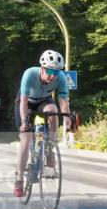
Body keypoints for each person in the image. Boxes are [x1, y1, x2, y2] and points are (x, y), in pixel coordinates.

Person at [14, 49, 72, 197]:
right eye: (49, 71)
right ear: (42, 68)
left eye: (56, 72)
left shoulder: (61, 78)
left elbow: (63, 102)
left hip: (44, 101)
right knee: (26, 138)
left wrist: (67, 119)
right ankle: (19, 178)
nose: (52, 76)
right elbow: (23, 103)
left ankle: (50, 147)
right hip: (26, 102)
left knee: (53, 110)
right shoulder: (29, 74)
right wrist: (25, 122)